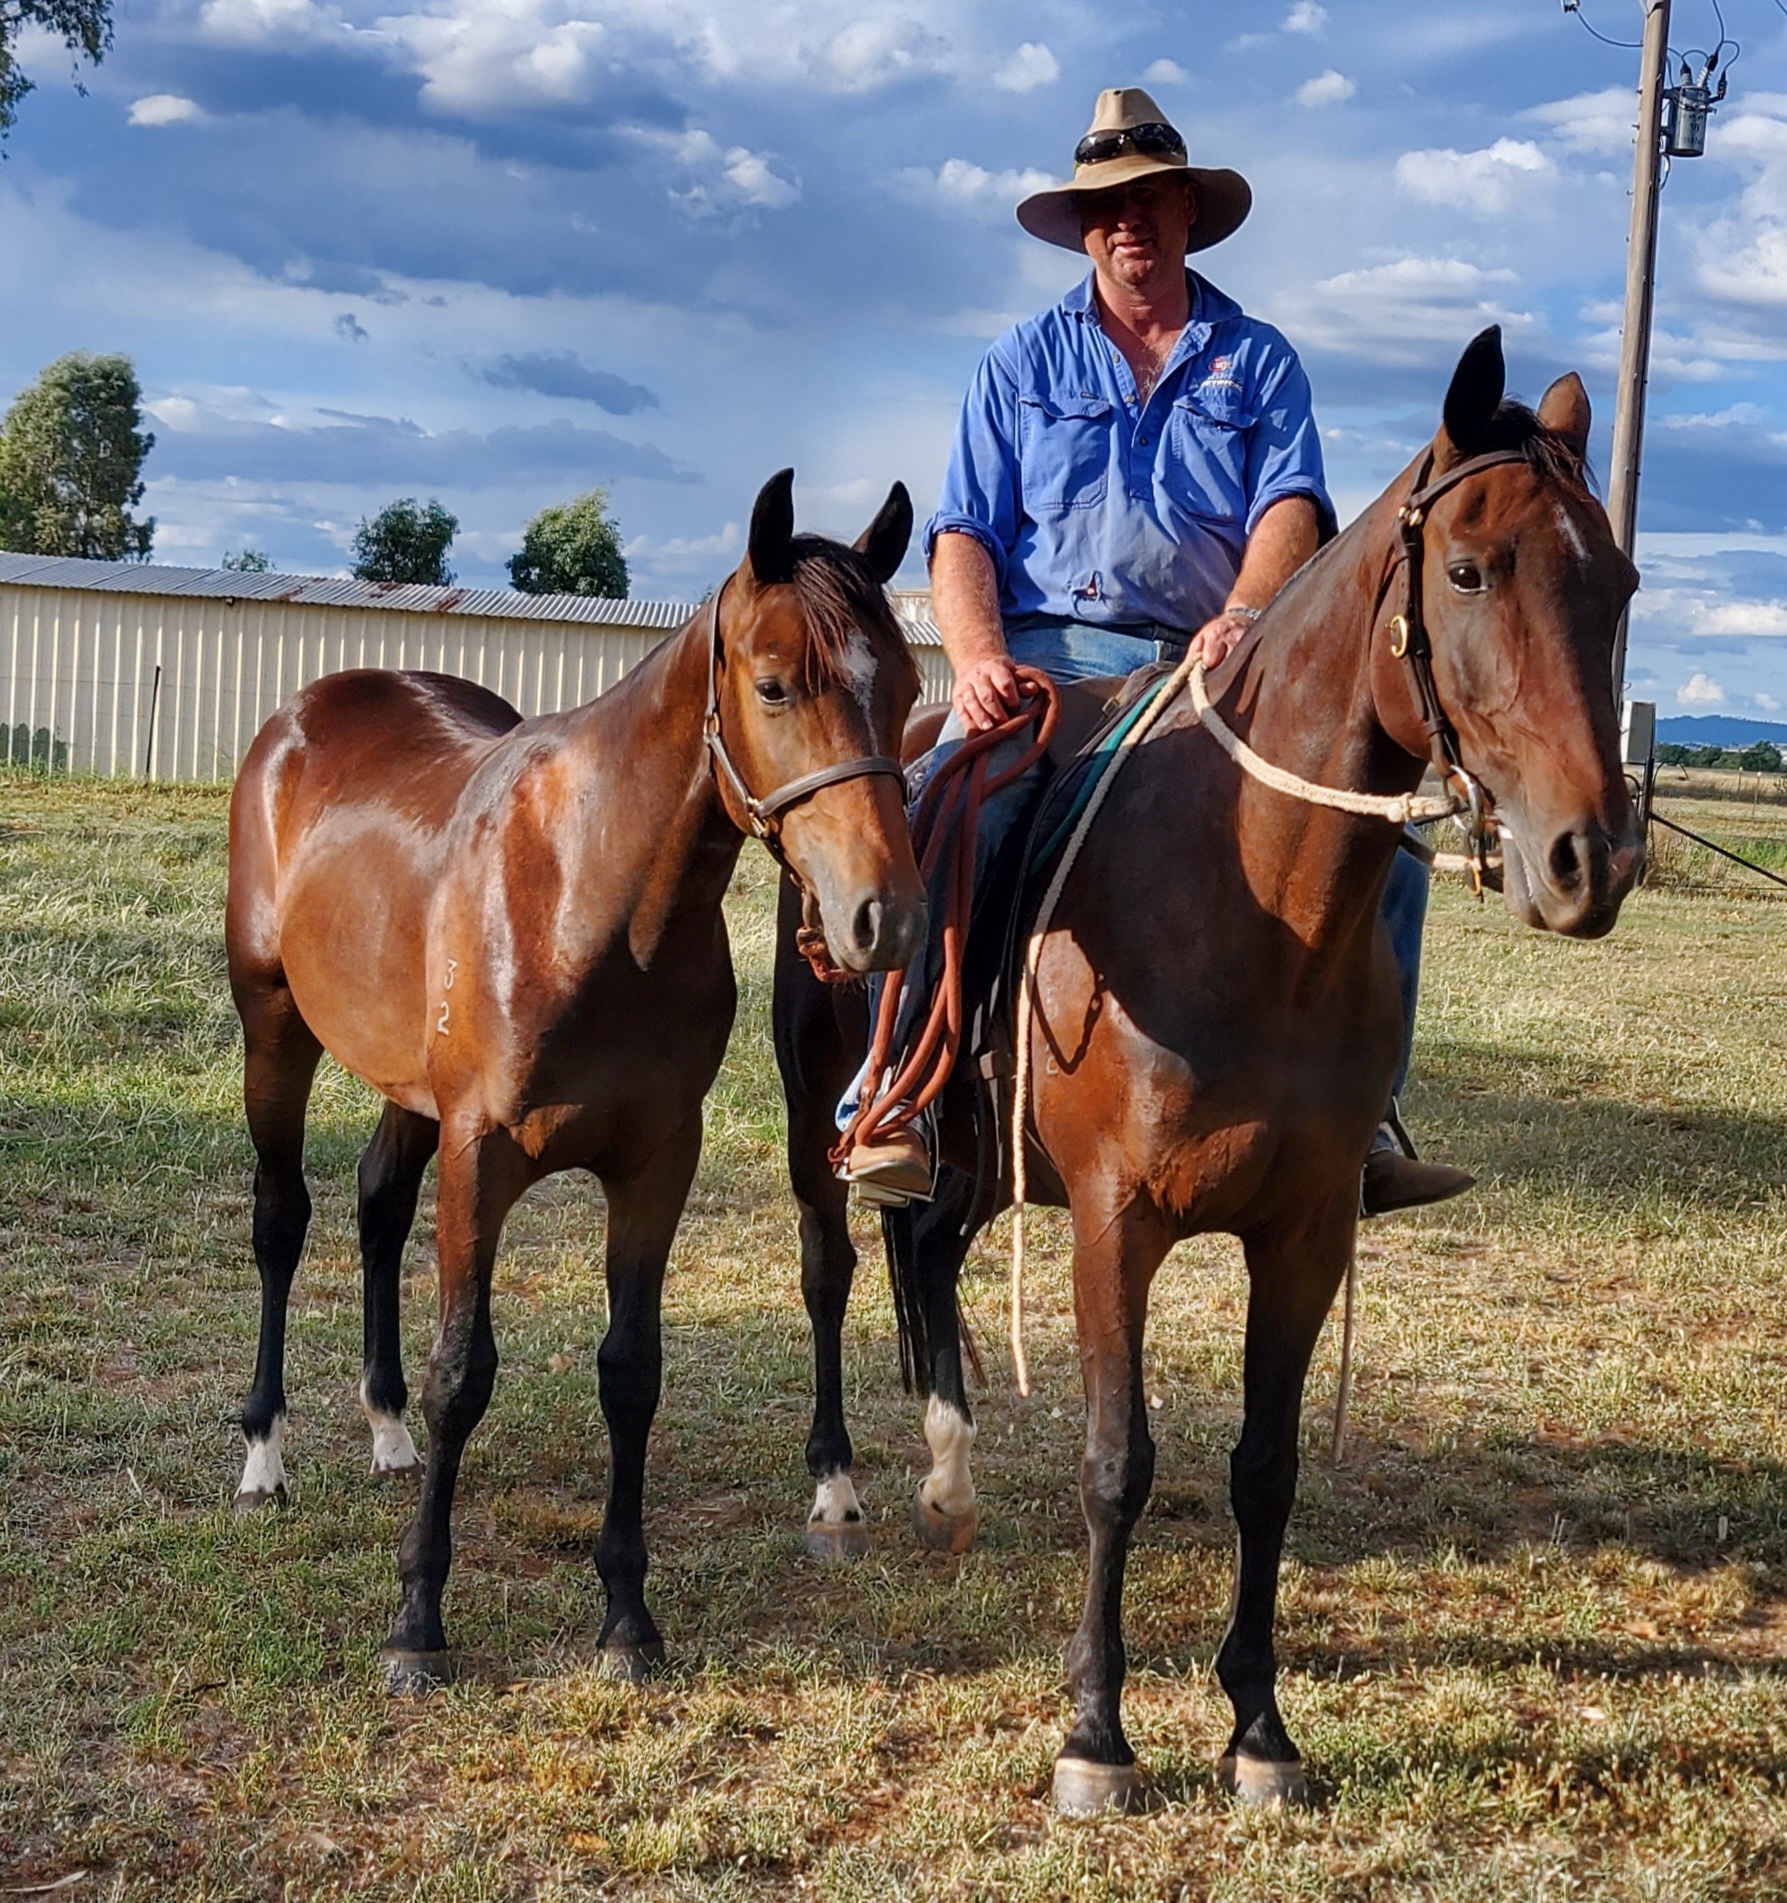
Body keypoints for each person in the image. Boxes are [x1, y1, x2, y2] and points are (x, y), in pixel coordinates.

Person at [840, 85, 1472, 1218]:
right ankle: (900, 1092)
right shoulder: (1020, 362)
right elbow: (964, 533)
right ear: (1081, 229)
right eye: (1105, 206)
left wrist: (1245, 609)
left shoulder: (1257, 362)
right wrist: (976, 660)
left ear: (1188, 211)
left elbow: (1289, 505)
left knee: (1388, 851)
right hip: (1052, 660)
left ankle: (1362, 1114)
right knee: (948, 803)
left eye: (1148, 199)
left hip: (1213, 664)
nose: (1127, 220)